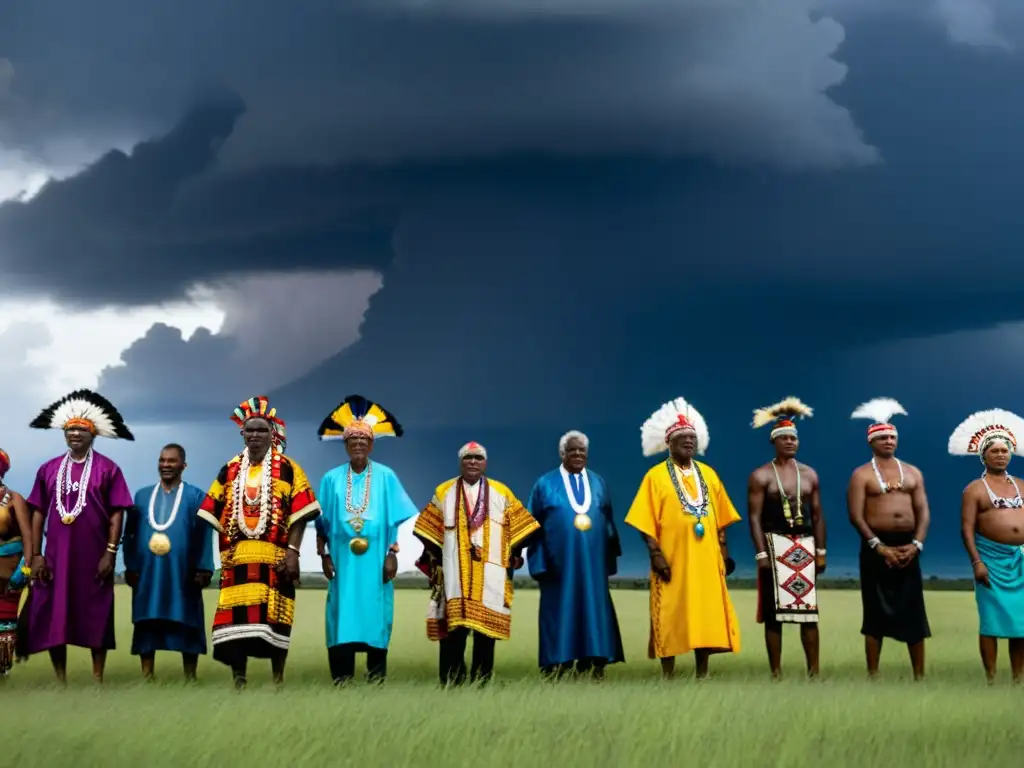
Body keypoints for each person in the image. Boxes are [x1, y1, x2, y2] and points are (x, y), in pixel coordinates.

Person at [197, 395, 321, 688]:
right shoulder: (229, 469)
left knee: (276, 621)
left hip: (276, 560)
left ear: (272, 433)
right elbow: (211, 511)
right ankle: (239, 679)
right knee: (236, 626)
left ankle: (278, 680)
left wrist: (292, 552)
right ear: (242, 433)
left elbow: (300, 514)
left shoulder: (289, 468)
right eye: (249, 430)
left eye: (261, 430)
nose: (255, 435)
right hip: (238, 562)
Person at [23, 389, 135, 683]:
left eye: (81, 430)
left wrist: (110, 552)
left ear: (93, 434)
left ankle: (97, 678)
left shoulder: (108, 469)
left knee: (97, 614)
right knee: (53, 615)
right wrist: (35, 555)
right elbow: (37, 513)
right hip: (55, 559)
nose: (74, 434)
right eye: (70, 429)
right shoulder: (48, 469)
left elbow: (117, 513)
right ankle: (61, 680)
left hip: (94, 558)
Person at [625, 396, 740, 680]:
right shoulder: (655, 477)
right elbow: (644, 520)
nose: (689, 442)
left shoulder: (709, 474)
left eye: (692, 438)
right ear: (669, 443)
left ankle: (703, 671)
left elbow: (721, 519)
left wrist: (724, 553)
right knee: (671, 612)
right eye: (683, 438)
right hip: (673, 558)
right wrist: (656, 554)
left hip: (706, 558)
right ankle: (668, 674)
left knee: (705, 613)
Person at [414, 441, 540, 686]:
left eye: (478, 458)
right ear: (461, 462)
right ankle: (451, 682)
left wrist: (514, 552)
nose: (473, 462)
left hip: (490, 572)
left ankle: (482, 682)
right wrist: (437, 561)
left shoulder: (502, 492)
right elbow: (428, 530)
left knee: (485, 633)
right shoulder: (444, 491)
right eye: (468, 458)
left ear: (485, 463)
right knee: (453, 632)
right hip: (454, 573)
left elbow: (522, 526)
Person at [315, 395, 418, 685]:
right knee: (341, 610)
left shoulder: (386, 476)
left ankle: (376, 678)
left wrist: (392, 553)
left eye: (363, 441)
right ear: (345, 446)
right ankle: (341, 678)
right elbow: (321, 522)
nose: (358, 445)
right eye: (353, 441)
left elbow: (394, 518)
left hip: (375, 562)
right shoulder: (331, 479)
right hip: (342, 561)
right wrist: (322, 554)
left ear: (371, 445)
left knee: (375, 613)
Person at [526, 430, 624, 680]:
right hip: (558, 565)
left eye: (582, 450)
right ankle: (557, 664)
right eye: (572, 450)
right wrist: (538, 562)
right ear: (562, 454)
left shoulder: (599, 482)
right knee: (559, 610)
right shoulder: (544, 484)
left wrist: (609, 557)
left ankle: (595, 661)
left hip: (593, 564)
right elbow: (531, 525)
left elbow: (608, 521)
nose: (578, 454)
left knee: (594, 609)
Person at [847, 397, 931, 680]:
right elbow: (856, 516)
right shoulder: (861, 475)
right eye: (882, 437)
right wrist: (878, 546)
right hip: (874, 547)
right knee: (874, 612)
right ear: (871, 442)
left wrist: (917, 544)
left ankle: (919, 675)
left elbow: (924, 512)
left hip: (909, 545)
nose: (888, 441)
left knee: (914, 612)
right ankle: (873, 674)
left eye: (892, 437)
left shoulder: (913, 472)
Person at [747, 397, 826, 678]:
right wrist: (761, 554)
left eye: (795, 438)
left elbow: (817, 515)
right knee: (773, 616)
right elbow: (754, 518)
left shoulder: (809, 475)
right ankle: (776, 673)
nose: (791, 442)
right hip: (773, 544)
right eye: (786, 438)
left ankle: (814, 673)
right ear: (775, 441)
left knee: (809, 615)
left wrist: (821, 552)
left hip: (804, 545)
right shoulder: (761, 476)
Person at [122, 443, 215, 681]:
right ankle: (147, 674)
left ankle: (190, 676)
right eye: (162, 460)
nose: (166, 465)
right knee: (147, 619)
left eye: (172, 461)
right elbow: (130, 534)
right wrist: (130, 566)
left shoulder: (196, 496)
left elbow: (204, 534)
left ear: (183, 466)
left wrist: (204, 567)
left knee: (187, 618)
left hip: (182, 573)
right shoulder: (142, 496)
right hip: (148, 574)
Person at [950, 408, 1024, 683]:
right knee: (991, 621)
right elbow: (966, 529)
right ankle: (991, 677)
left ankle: (1018, 677)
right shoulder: (974, 489)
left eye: (1005, 450)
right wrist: (977, 562)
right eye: (994, 451)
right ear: (984, 456)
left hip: (1021, 560)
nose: (1001, 455)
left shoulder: (1021, 485)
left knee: (1021, 624)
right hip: (991, 560)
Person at [0, 449, 32, 676]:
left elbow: (28, 536)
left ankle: (3, 669)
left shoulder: (14, 499)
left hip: (9, 573)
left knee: (5, 622)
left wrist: (25, 569)